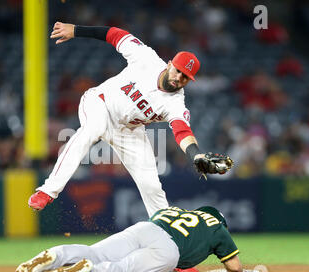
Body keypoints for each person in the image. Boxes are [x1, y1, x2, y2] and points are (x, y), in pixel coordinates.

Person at [28, 22, 233, 216]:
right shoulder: (147, 59)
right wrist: (76, 30)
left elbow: (182, 132)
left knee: (151, 183)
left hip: (128, 130)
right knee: (92, 130)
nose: (179, 77)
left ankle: (167, 232)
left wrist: (195, 155)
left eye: (185, 77)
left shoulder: (175, 103)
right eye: (178, 70)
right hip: (99, 103)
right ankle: (48, 191)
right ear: (170, 64)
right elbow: (115, 34)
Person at [13, 206, 267, 272]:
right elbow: (233, 269)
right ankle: (88, 271)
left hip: (146, 228)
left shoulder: (177, 210)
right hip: (168, 251)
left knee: (96, 251)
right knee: (120, 271)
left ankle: (53, 256)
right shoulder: (218, 228)